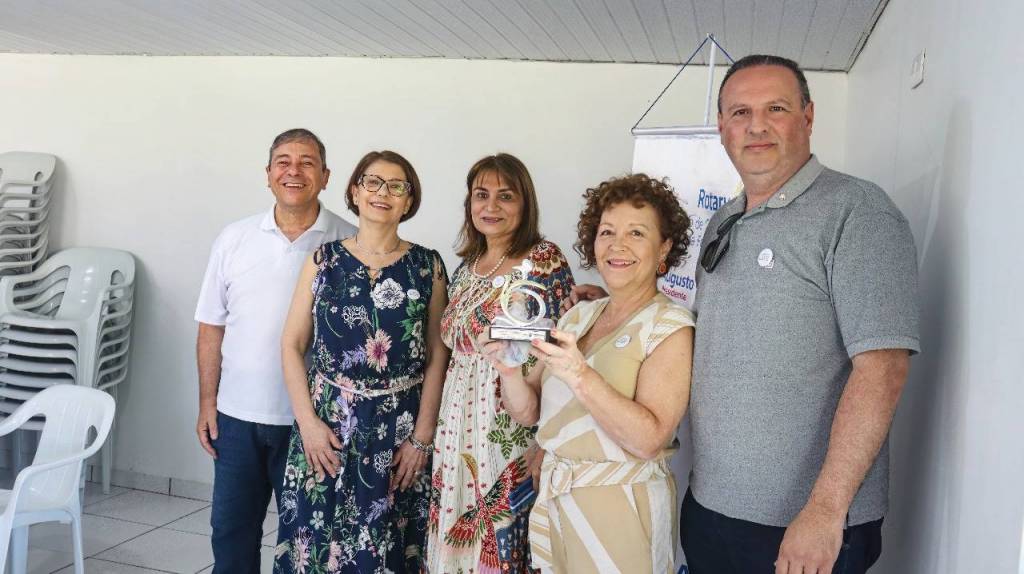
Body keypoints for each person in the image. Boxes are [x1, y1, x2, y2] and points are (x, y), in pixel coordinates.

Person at [570, 54, 920, 574]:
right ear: (722, 127)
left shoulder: (857, 211)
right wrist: (611, 307)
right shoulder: (723, 221)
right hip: (711, 508)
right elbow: (716, 334)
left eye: (775, 108)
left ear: (808, 116)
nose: (756, 126)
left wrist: (825, 511)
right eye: (740, 112)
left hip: (803, 525)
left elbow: (883, 369)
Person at [482, 173, 695, 573]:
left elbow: (649, 439)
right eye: (607, 231)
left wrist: (580, 374)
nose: (617, 245)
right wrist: (508, 371)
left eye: (636, 233)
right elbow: (530, 412)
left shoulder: (670, 326)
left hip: (621, 510)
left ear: (664, 246)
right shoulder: (579, 316)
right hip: (556, 503)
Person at [274, 150, 449, 573]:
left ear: (409, 200)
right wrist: (308, 424)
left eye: (396, 186)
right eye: (372, 182)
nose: (382, 193)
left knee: (385, 548)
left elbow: (437, 355)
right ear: (355, 191)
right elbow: (292, 344)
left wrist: (422, 437)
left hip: (398, 431)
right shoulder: (323, 260)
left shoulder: (428, 266)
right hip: (327, 429)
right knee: (316, 544)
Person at [194, 128, 356, 573]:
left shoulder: (349, 243)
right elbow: (211, 327)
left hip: (314, 423)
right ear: (268, 174)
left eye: (307, 162)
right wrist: (207, 402)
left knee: (307, 541)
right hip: (236, 417)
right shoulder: (234, 238)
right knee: (231, 532)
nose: (293, 171)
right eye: (283, 162)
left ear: (325, 176)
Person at [425, 153, 574, 573]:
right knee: (457, 529)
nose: (491, 206)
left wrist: (545, 443)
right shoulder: (466, 266)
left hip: (509, 425)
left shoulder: (543, 260)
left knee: (500, 536)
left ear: (525, 203)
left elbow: (558, 358)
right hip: (457, 424)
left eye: (505, 196)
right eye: (481, 195)